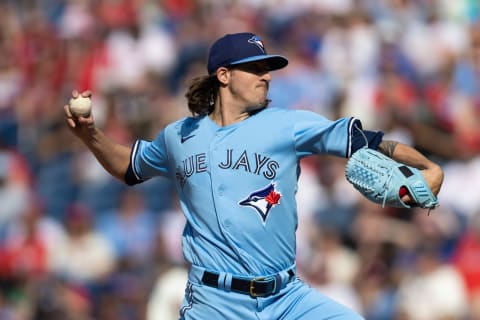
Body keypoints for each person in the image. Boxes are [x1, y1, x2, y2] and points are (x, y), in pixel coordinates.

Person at [64, 32, 444, 319]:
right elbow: (129, 166)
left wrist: (427, 168)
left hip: (287, 298)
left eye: (268, 69)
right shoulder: (179, 137)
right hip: (214, 302)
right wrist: (90, 135)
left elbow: (369, 141)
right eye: (256, 68)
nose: (266, 76)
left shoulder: (288, 125)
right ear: (224, 75)